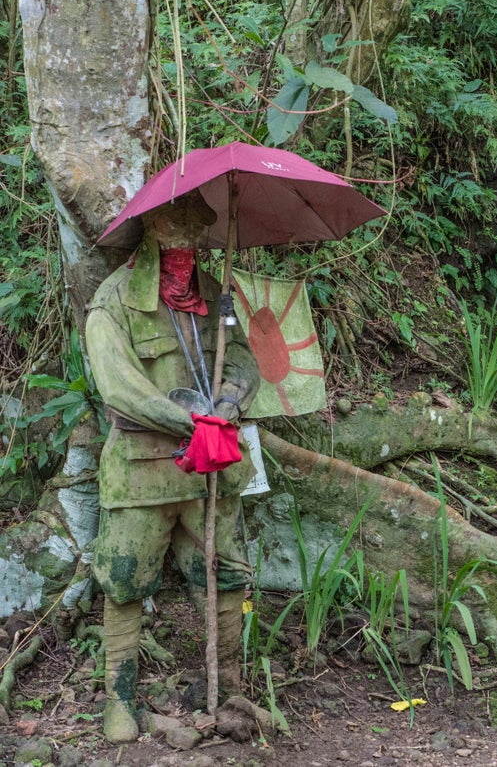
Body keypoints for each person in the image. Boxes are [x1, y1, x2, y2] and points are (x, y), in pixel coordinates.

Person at [84, 191, 260, 743]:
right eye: (182, 218)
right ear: (154, 224)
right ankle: (119, 696)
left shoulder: (213, 293)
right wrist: (188, 422)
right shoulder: (113, 301)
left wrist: (229, 402)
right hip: (143, 470)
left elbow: (243, 359)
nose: (198, 228)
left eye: (201, 220)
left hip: (213, 469)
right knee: (124, 579)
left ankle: (226, 683)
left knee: (224, 573)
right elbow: (118, 385)